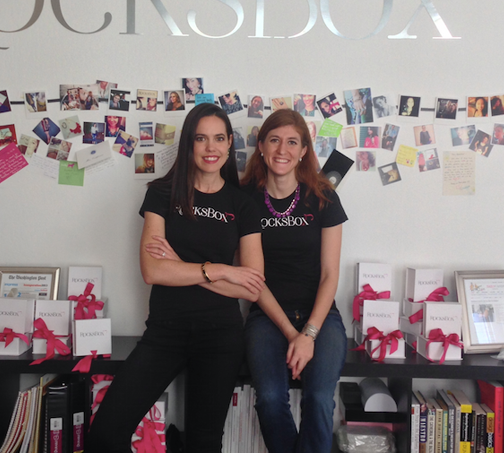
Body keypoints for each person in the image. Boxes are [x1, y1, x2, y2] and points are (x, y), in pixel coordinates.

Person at [87, 103, 265, 453]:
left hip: (220, 336)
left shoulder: (243, 204)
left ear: (230, 143)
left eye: (219, 138)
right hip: (165, 332)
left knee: (203, 444)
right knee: (106, 434)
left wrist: (181, 266)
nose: (211, 148)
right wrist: (220, 269)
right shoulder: (162, 193)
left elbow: (251, 287)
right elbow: (153, 270)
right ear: (188, 144)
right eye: (201, 138)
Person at [240, 109, 348, 453]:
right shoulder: (246, 200)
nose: (282, 150)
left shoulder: (324, 197)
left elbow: (330, 274)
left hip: (320, 316)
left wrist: (309, 334)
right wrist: (292, 335)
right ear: (261, 146)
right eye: (274, 140)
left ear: (303, 151)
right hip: (267, 317)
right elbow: (253, 279)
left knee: (319, 398)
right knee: (270, 398)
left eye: (291, 142)